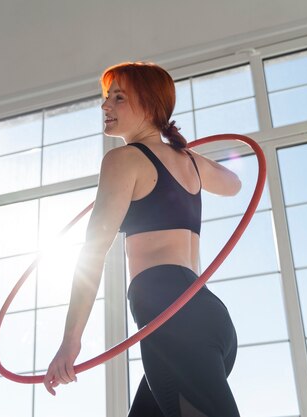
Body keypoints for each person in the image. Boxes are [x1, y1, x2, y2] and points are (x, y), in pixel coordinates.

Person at [44, 61, 242, 416]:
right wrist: (181, 151)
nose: (105, 106)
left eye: (118, 98)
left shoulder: (123, 161)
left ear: (150, 104)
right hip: (207, 319)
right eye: (106, 98)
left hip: (172, 317)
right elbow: (234, 184)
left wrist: (70, 342)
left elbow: (94, 250)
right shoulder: (190, 163)